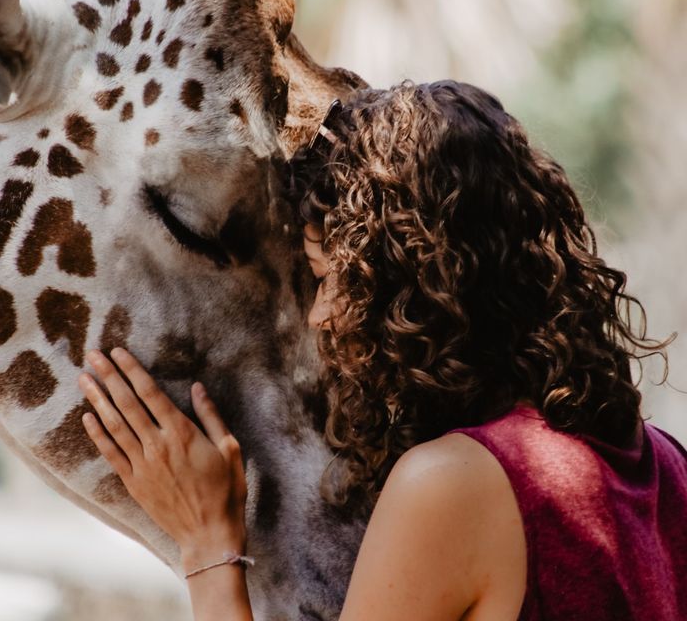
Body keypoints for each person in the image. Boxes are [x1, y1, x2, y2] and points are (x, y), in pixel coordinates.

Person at [77, 81, 687, 621]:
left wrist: (207, 545)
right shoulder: (667, 466)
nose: (320, 315)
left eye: (330, 277)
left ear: (411, 285)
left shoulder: (454, 485)